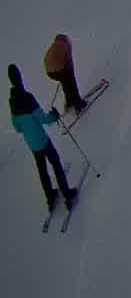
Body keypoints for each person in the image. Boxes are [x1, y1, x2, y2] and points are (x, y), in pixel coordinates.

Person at [8, 65, 76, 214]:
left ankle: (50, 198)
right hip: (42, 140)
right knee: (56, 164)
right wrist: (54, 115)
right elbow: (43, 119)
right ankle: (67, 195)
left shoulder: (12, 102)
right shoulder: (27, 98)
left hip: (32, 144)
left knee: (42, 169)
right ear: (19, 77)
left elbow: (17, 128)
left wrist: (27, 127)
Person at [43, 35, 86, 116]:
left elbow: (46, 59)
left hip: (50, 72)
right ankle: (78, 104)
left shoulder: (53, 46)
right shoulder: (66, 45)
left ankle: (69, 102)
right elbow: (69, 62)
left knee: (66, 83)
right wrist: (69, 74)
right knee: (71, 82)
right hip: (59, 70)